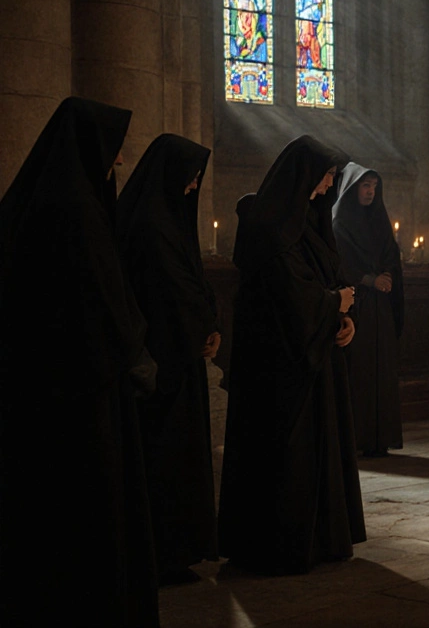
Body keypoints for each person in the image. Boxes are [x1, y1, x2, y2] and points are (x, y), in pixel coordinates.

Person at [0, 98, 159, 626]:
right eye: (114, 150)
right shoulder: (75, 212)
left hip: (51, 388)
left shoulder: (49, 202)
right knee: (88, 515)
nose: (118, 163)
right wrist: (135, 345)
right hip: (81, 392)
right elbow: (100, 304)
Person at [218, 135, 366, 575]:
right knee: (286, 458)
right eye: (325, 176)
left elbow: (328, 281)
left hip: (317, 356)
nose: (328, 186)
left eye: (333, 178)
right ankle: (280, 545)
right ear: (303, 174)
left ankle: (321, 538)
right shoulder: (268, 225)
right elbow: (288, 296)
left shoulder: (309, 219)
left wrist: (345, 318)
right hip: (280, 367)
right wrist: (331, 306)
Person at [116, 133, 220, 585]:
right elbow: (169, 290)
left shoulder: (164, 218)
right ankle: (166, 552)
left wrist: (209, 327)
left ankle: (179, 550)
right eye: (192, 177)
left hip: (181, 355)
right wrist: (201, 330)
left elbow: (192, 283)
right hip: (165, 362)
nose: (194, 186)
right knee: (167, 458)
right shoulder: (151, 224)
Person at [332, 164, 404, 457]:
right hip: (356, 306)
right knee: (359, 372)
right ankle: (357, 438)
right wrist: (370, 280)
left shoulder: (379, 219)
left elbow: (390, 253)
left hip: (380, 308)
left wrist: (387, 276)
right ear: (352, 189)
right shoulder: (340, 223)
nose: (370, 191)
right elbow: (341, 263)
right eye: (365, 185)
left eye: (374, 185)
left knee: (382, 371)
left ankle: (379, 438)